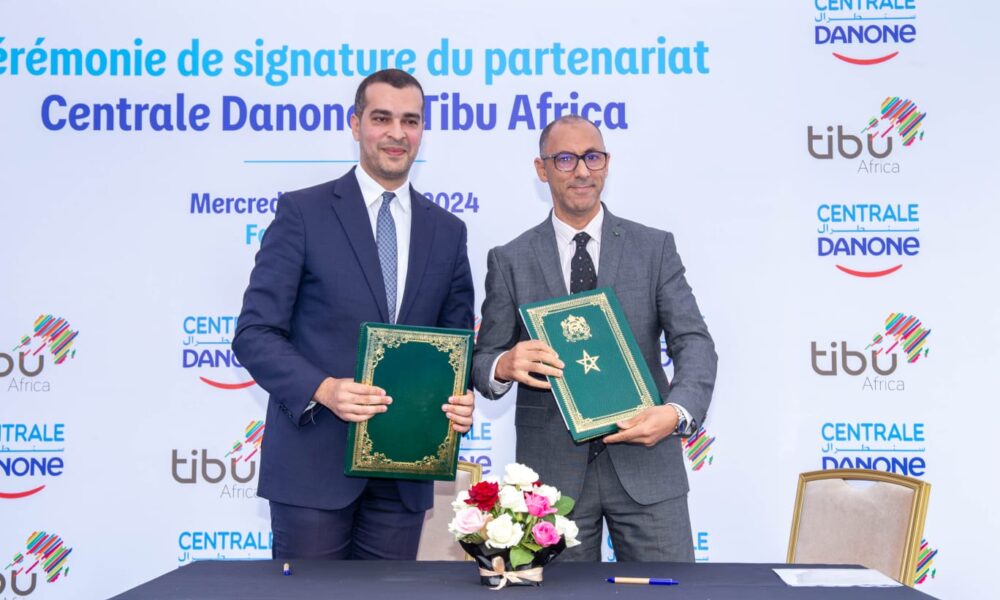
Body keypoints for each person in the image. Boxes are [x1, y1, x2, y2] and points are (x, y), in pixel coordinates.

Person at [233, 69, 475, 560]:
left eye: (410, 121)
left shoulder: (448, 232)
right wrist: (324, 389)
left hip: (405, 472)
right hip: (313, 468)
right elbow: (254, 333)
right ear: (355, 124)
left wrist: (459, 396)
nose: (396, 133)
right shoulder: (303, 212)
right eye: (381, 118)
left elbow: (455, 346)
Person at [471, 115, 717, 562]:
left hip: (648, 467)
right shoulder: (510, 259)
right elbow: (485, 356)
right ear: (542, 169)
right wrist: (503, 365)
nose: (582, 171)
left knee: (670, 592)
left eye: (593, 157)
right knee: (558, 595)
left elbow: (694, 341)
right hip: (551, 482)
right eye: (565, 159)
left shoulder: (654, 248)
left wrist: (675, 413)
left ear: (607, 163)